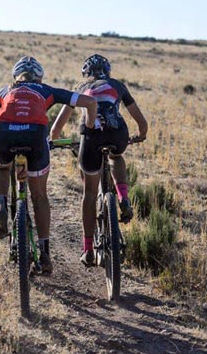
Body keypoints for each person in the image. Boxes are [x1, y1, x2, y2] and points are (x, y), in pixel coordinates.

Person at [0, 56, 98, 274]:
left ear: (15, 76)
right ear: (39, 76)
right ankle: (45, 251)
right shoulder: (47, 90)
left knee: (1, 167)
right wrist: (90, 129)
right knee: (39, 197)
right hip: (35, 137)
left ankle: (1, 204)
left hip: (4, 134)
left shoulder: (4, 92)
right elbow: (90, 102)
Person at [50, 54, 148, 266]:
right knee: (116, 155)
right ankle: (123, 196)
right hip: (117, 133)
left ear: (85, 73)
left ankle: (87, 250)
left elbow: (57, 127)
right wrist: (141, 134)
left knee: (90, 193)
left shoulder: (80, 86)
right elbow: (140, 119)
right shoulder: (118, 85)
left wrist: (55, 140)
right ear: (108, 71)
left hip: (91, 137)